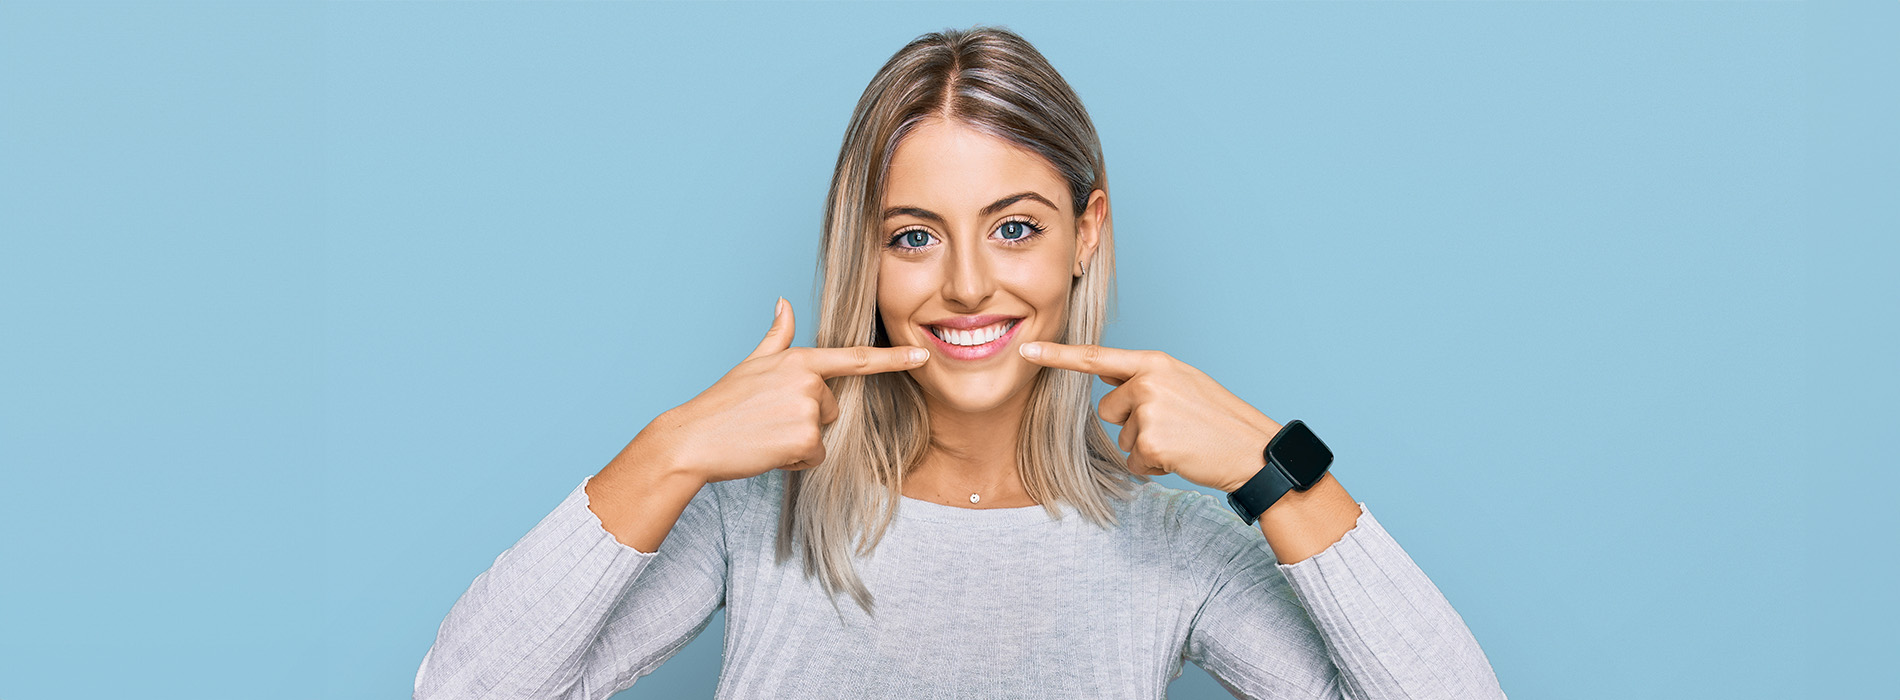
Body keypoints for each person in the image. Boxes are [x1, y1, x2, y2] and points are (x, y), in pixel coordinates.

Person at [414, 25, 1506, 700]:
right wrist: (671, 448)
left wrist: (1276, 467)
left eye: (1016, 227)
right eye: (915, 235)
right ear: (870, 256)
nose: (969, 285)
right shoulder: (754, 518)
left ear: (1088, 232)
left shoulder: (1172, 549)